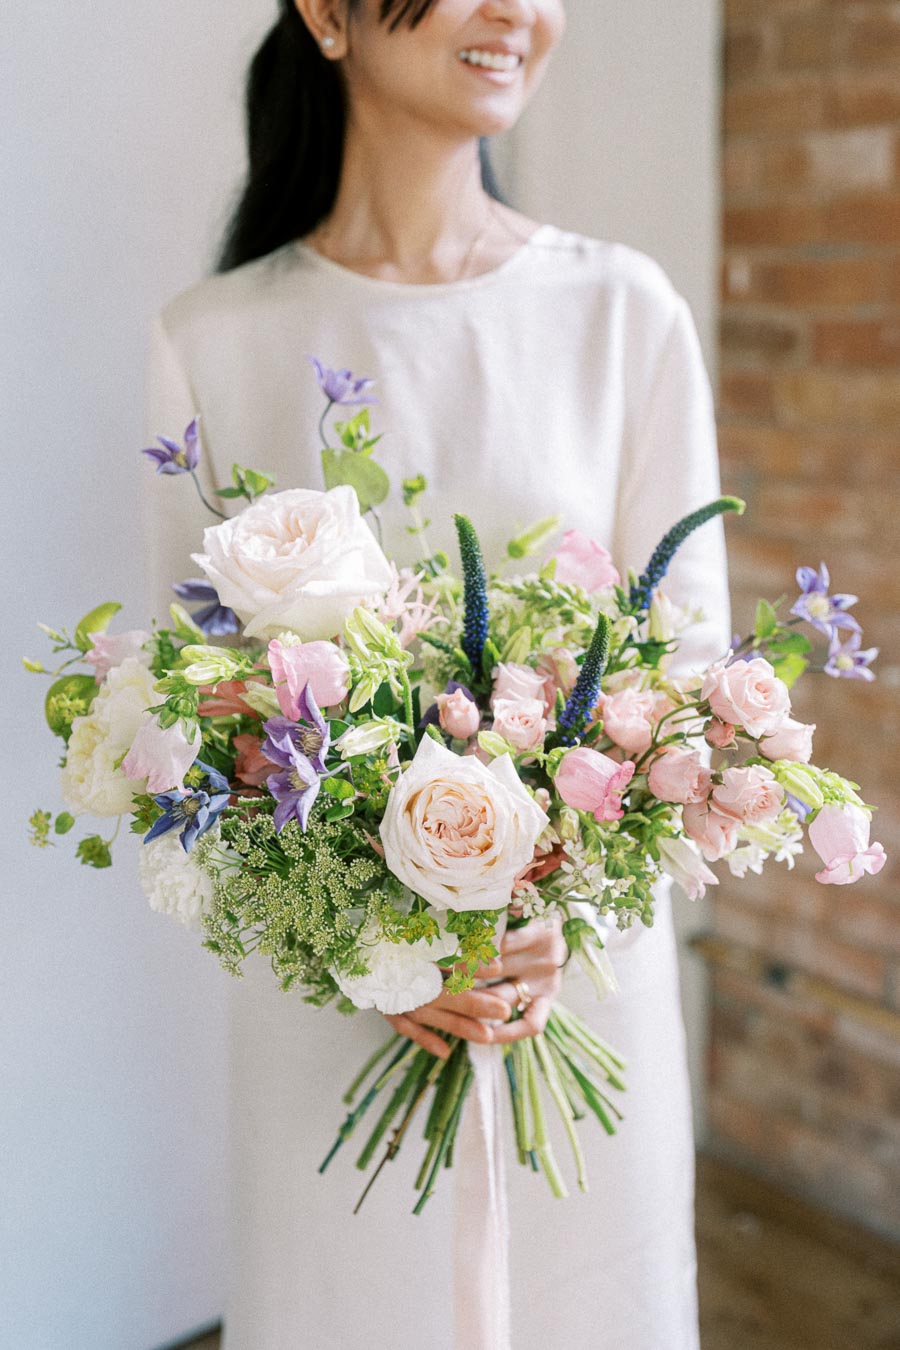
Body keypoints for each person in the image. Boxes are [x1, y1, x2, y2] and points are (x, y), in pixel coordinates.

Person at [143, 2, 731, 1347]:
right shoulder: (212, 340)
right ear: (329, 13)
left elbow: (690, 673)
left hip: (571, 990)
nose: (521, 12)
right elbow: (184, 714)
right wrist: (368, 939)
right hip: (329, 1029)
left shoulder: (619, 310)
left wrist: (556, 911)